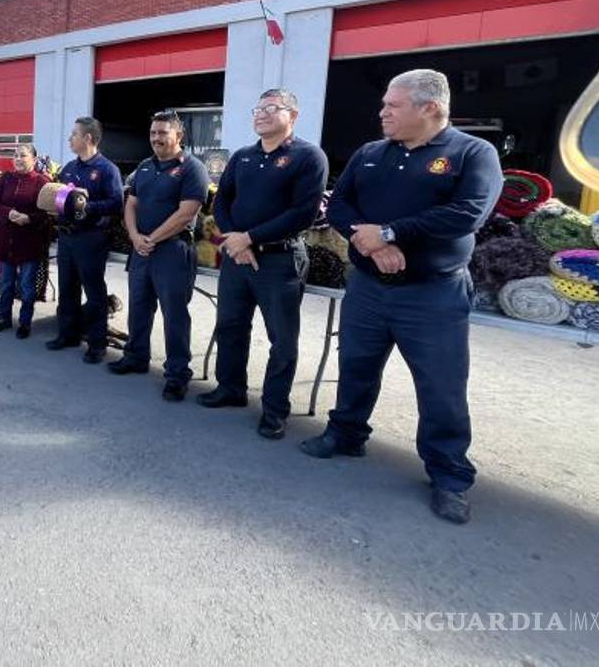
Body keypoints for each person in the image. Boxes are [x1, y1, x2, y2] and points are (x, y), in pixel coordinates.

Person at [300, 69, 503, 525]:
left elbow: (468, 213)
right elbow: (341, 203)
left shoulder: (472, 153)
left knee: (441, 386)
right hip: (369, 288)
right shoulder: (372, 153)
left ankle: (450, 475)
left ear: (429, 107)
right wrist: (372, 242)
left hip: (432, 294)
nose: (382, 113)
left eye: (393, 105)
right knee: (355, 365)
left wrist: (391, 233)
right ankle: (346, 434)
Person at [197, 90, 328, 440]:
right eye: (259, 109)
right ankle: (230, 388)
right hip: (238, 258)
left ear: (293, 116)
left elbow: (303, 213)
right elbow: (222, 201)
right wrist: (235, 240)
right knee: (230, 326)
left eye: (272, 109)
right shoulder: (242, 157)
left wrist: (249, 237)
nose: (262, 114)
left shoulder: (307, 157)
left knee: (281, 340)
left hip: (280, 259)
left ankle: (274, 409)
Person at [108, 111, 210, 402]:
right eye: (153, 133)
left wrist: (151, 238)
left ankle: (177, 374)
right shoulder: (144, 167)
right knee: (139, 307)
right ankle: (136, 356)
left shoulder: (193, 168)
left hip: (173, 251)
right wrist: (135, 236)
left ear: (178, 136)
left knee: (174, 315)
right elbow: (131, 204)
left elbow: (187, 213)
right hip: (142, 249)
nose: (156, 138)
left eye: (163, 133)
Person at [45, 117, 123, 361]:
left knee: (94, 292)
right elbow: (60, 198)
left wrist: (88, 206)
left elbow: (116, 203)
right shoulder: (69, 168)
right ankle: (67, 334)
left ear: (88, 138)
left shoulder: (107, 170)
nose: (70, 139)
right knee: (68, 289)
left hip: (91, 238)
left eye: (74, 135)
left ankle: (97, 345)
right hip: (67, 237)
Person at [0, 144, 51, 338]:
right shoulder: (5, 178)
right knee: (6, 283)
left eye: (23, 155)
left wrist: (29, 218)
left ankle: (25, 322)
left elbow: (47, 214)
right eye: (16, 155)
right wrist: (9, 213)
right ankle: (4, 318)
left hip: (29, 243)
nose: (19, 159)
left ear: (34, 159)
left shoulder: (43, 182)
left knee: (27, 287)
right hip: (6, 240)